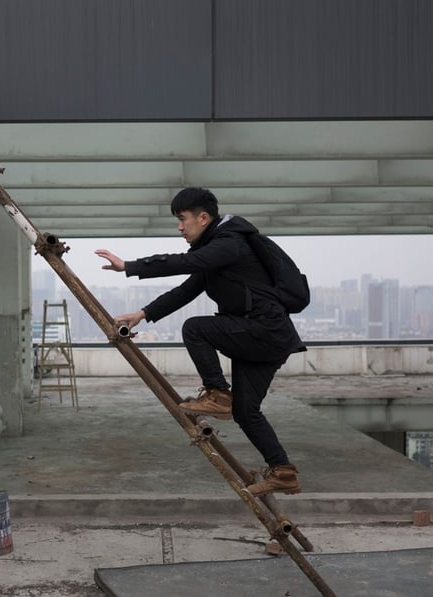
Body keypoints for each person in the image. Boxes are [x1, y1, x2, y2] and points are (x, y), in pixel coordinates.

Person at [94, 187, 307, 495]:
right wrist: (142, 314)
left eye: (183, 219)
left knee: (196, 328)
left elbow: (184, 264)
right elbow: (185, 291)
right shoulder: (217, 254)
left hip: (264, 331)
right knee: (246, 412)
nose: (180, 227)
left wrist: (130, 266)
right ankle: (284, 472)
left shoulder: (230, 243)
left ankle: (218, 395)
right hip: (265, 337)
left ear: (203, 218)